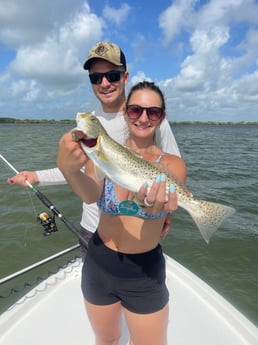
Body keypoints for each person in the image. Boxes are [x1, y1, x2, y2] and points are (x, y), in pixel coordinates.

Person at [7, 41, 181, 260]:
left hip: (140, 234)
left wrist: (167, 209)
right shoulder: (88, 126)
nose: (105, 83)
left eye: (113, 75)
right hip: (92, 230)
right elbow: (77, 170)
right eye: (95, 78)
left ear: (125, 77)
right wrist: (36, 176)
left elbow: (173, 170)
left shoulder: (150, 118)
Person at [57, 81, 186, 345]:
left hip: (144, 272)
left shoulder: (172, 164)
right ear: (126, 112)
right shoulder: (102, 151)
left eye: (153, 112)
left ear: (162, 117)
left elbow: (165, 205)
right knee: (106, 340)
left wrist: (156, 207)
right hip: (98, 262)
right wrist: (68, 170)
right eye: (136, 109)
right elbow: (91, 194)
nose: (143, 117)